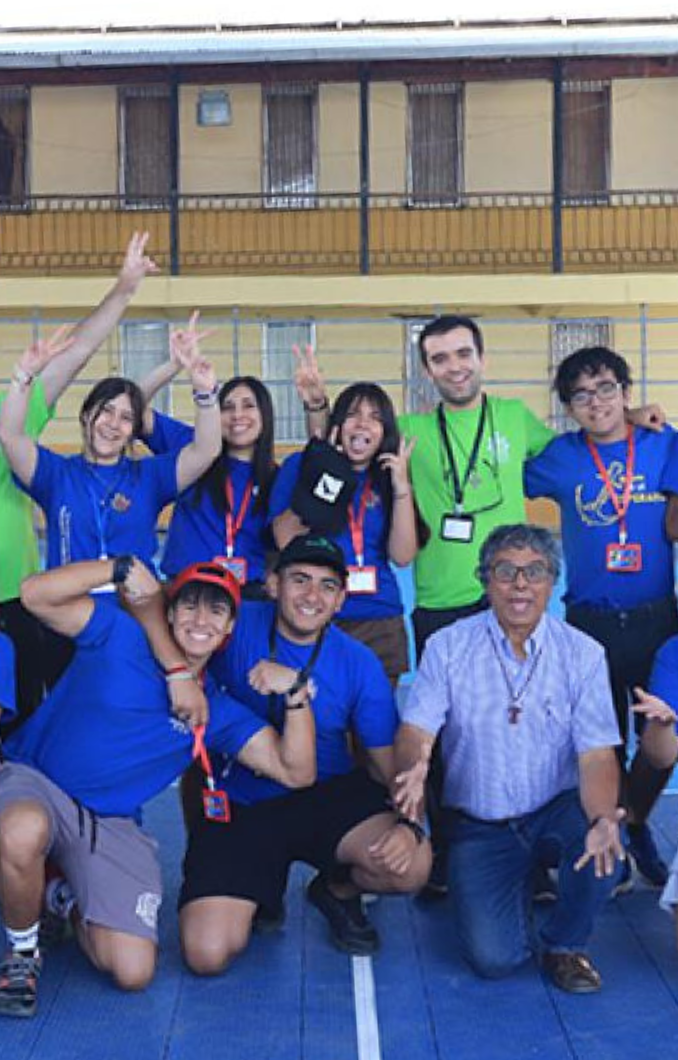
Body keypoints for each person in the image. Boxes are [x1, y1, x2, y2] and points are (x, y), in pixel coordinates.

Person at [0, 554, 316, 1018]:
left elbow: (296, 771)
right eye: (190, 605)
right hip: (39, 782)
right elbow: (35, 595)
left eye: (216, 610)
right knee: (20, 829)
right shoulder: (119, 635)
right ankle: (22, 954)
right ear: (168, 612)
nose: (201, 619)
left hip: (108, 823)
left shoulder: (215, 710)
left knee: (133, 970)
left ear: (228, 630)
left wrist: (295, 694)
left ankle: (58, 895)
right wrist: (119, 568)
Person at [149, 534, 431, 973]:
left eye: (327, 586)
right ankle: (245, 881)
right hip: (241, 802)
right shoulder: (229, 623)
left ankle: (335, 889)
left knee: (411, 866)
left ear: (340, 601)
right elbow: (159, 617)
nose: (311, 596)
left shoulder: (359, 663)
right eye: (300, 580)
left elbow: (383, 763)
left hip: (326, 796)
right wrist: (178, 672)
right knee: (206, 955)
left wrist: (410, 825)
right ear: (274, 584)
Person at [394, 524, 624, 994]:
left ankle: (565, 943)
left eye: (534, 572)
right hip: (481, 823)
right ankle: (515, 882)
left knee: (604, 853)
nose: (520, 584)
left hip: (555, 808)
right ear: (485, 580)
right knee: (493, 960)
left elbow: (597, 754)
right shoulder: (448, 646)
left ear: (551, 581)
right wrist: (416, 764)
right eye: (506, 571)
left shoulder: (583, 654)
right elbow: (416, 730)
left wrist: (602, 818)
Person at [525, 345, 678, 888]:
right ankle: (608, 831)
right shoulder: (560, 457)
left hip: (657, 621)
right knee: (600, 741)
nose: (597, 403)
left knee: (661, 739)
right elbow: (506, 478)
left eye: (607, 388)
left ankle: (634, 821)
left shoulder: (663, 445)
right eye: (582, 396)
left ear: (626, 391)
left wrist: (640, 421)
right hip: (588, 624)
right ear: (569, 407)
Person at [0, 314, 222, 688]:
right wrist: (23, 377)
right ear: (87, 416)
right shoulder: (57, 474)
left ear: (133, 431)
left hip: (134, 619)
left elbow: (206, 449)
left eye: (125, 418)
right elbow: (11, 437)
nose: (112, 424)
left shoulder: (148, 477)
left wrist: (204, 392)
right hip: (65, 623)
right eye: (105, 411)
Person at [0, 231, 158, 723]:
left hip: (13, 602)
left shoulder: (12, 417)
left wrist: (125, 288)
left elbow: (80, 349)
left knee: (23, 733)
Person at [269, 381, 418, 685]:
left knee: (374, 726)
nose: (363, 423)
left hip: (380, 618)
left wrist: (402, 489)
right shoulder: (302, 465)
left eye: (375, 417)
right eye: (353, 414)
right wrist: (327, 477)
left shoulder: (388, 476)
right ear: (337, 424)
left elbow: (402, 557)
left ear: (385, 431)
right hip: (316, 614)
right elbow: (285, 539)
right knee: (318, 720)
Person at [140, 369, 277, 600]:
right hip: (186, 591)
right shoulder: (192, 447)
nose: (237, 415)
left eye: (248, 406)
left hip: (248, 596)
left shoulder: (277, 479)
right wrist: (173, 364)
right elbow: (133, 407)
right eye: (228, 407)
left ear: (265, 415)